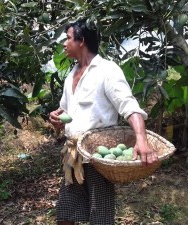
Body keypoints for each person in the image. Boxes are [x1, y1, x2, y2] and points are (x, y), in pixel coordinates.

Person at [49, 18, 158, 225]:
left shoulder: (107, 70)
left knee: (100, 217)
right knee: (64, 214)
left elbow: (130, 107)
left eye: (68, 38)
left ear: (81, 41)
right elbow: (66, 109)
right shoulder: (70, 74)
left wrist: (141, 141)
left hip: (98, 157)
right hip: (73, 156)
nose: (64, 44)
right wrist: (57, 118)